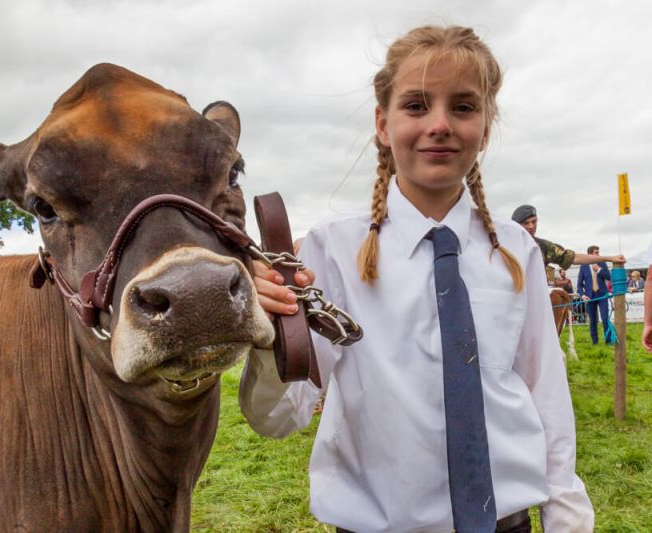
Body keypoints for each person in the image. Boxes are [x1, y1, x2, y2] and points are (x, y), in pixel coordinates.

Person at [242, 25, 593, 532]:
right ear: (382, 124)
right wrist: (271, 337)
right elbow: (278, 418)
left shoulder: (516, 251)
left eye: (464, 107)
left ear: (486, 127)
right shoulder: (331, 252)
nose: (440, 124)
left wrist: (567, 514)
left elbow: (546, 394)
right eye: (416, 105)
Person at [511, 204, 625, 270]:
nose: (531, 226)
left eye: (534, 221)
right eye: (526, 223)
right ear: (516, 225)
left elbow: (574, 258)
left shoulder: (542, 247)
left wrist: (609, 258)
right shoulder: (505, 246)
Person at [576, 245, 611, 345]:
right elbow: (579, 284)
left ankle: (608, 342)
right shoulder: (583, 266)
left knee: (605, 319)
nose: (598, 254)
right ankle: (595, 342)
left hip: (602, 295)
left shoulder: (602, 263)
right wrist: (582, 295)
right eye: (596, 253)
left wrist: (599, 269)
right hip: (589, 297)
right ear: (590, 254)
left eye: (598, 252)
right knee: (593, 321)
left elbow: (609, 277)